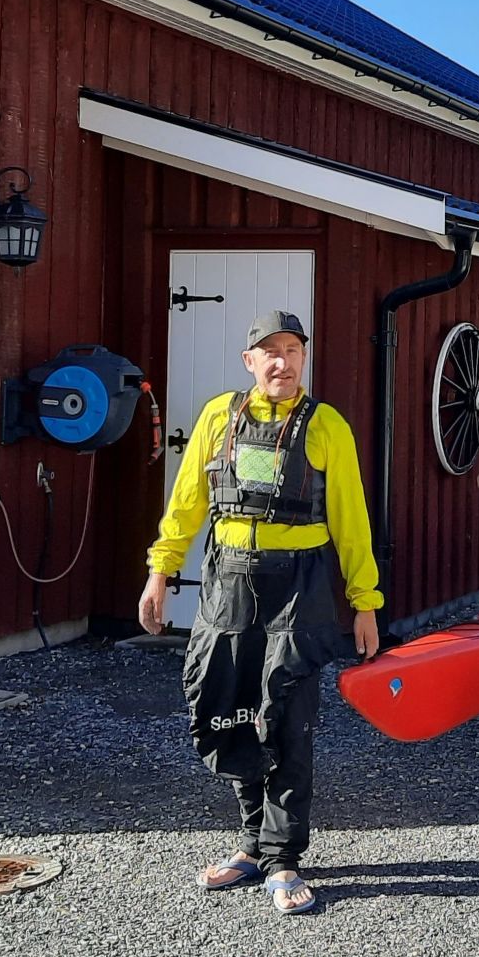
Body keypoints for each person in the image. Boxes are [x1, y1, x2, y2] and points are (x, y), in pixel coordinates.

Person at [137, 310, 381, 916]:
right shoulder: (220, 418)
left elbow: (351, 522)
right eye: (269, 351)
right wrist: (160, 573)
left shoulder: (327, 427)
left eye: (293, 349)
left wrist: (365, 604)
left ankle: (282, 857)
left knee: (288, 716)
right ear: (250, 362)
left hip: (299, 590)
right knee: (230, 707)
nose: (282, 361)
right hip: (229, 581)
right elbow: (188, 502)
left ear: (304, 357)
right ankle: (251, 844)